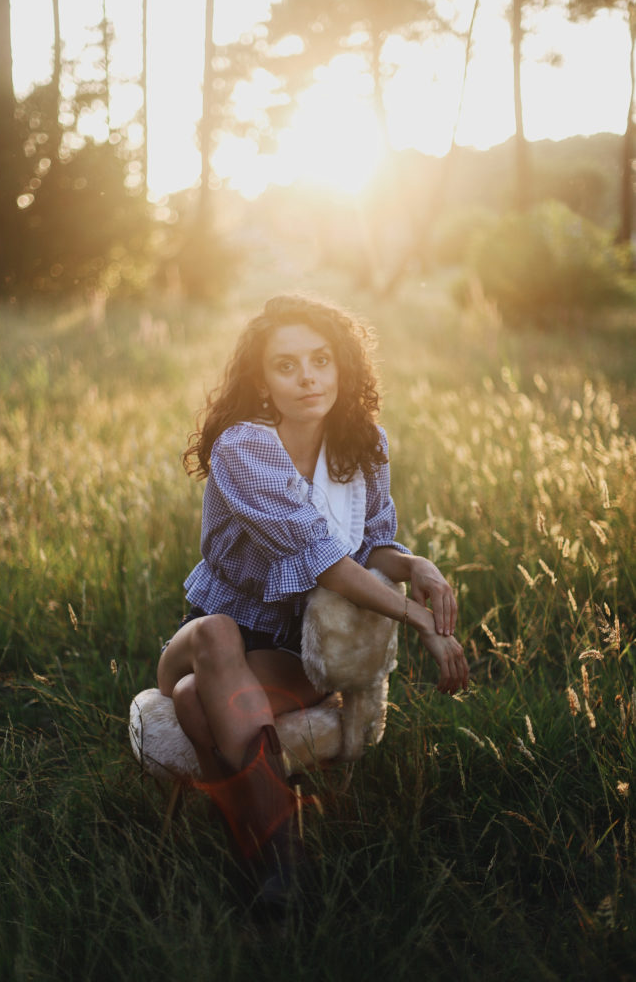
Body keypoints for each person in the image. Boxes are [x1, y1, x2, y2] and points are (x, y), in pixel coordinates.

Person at [157, 294, 468, 906]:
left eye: (322, 360)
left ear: (342, 368)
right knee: (215, 641)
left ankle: (268, 859)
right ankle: (287, 862)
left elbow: (372, 546)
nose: (308, 378)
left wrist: (416, 565)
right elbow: (325, 560)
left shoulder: (364, 444)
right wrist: (421, 621)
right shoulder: (244, 448)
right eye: (287, 365)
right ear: (263, 382)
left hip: (294, 649)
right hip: (207, 639)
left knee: (199, 704)